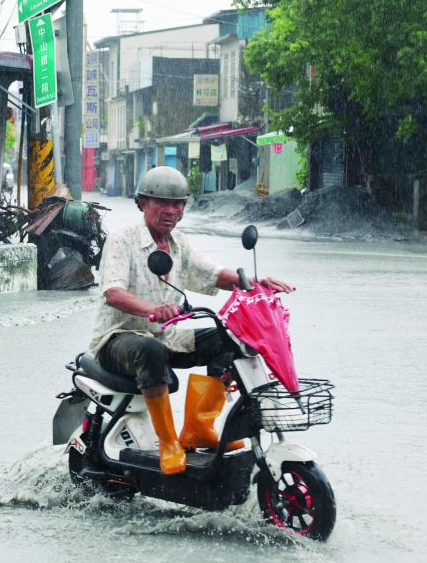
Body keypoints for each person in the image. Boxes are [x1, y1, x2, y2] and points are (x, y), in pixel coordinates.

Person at [90, 166, 293, 475]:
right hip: (118, 339)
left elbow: (213, 273)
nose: (170, 210)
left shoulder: (179, 244)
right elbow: (114, 293)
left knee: (231, 339)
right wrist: (152, 309)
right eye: (161, 202)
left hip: (164, 336)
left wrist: (253, 282)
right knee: (150, 350)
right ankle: (169, 442)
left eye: (178, 204)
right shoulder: (123, 239)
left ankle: (198, 427)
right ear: (143, 203)